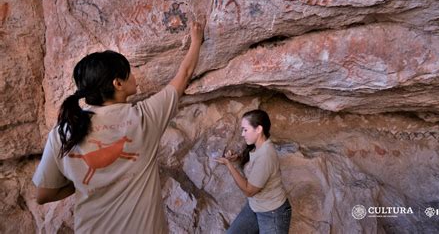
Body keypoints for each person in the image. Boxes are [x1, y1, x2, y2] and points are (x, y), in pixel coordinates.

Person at [32, 21, 205, 233]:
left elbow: (43, 195)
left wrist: (85, 182)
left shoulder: (63, 132)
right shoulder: (144, 117)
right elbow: (184, 74)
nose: (134, 77)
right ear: (118, 83)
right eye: (129, 73)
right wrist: (196, 40)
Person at [216, 109, 292, 234]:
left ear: (258, 129)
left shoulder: (266, 155)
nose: (242, 134)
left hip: (273, 213)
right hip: (255, 206)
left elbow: (249, 190)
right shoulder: (257, 147)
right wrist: (237, 158)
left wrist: (229, 165)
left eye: (245, 129)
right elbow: (254, 163)